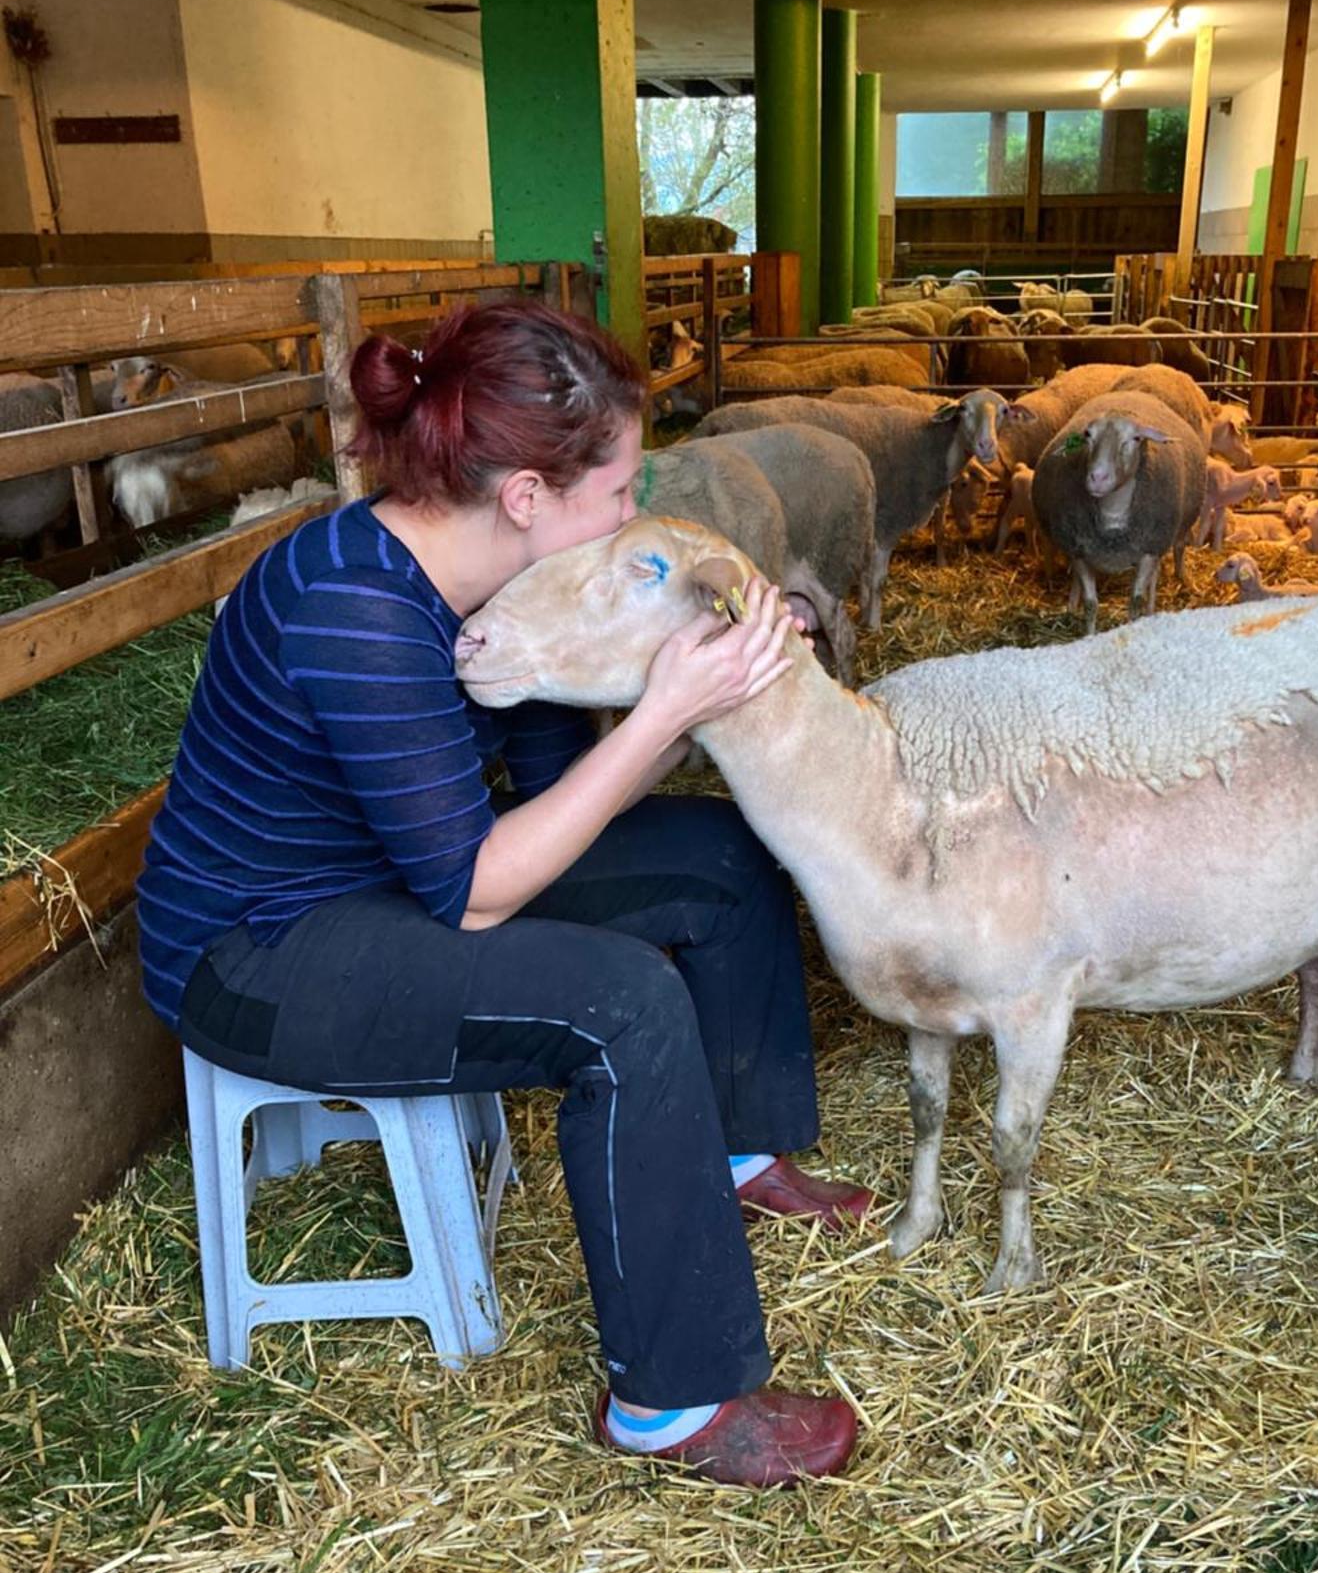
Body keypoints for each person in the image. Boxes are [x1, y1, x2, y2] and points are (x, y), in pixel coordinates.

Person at [137, 300, 871, 1487]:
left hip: (398, 873)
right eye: (622, 490)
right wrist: (662, 716)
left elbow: (561, 797)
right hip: (260, 953)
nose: (637, 511)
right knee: (621, 1005)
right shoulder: (355, 609)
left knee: (725, 859)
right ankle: (673, 1399)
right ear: (528, 495)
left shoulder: (495, 590)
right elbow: (480, 890)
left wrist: (705, 705)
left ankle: (730, 1156)